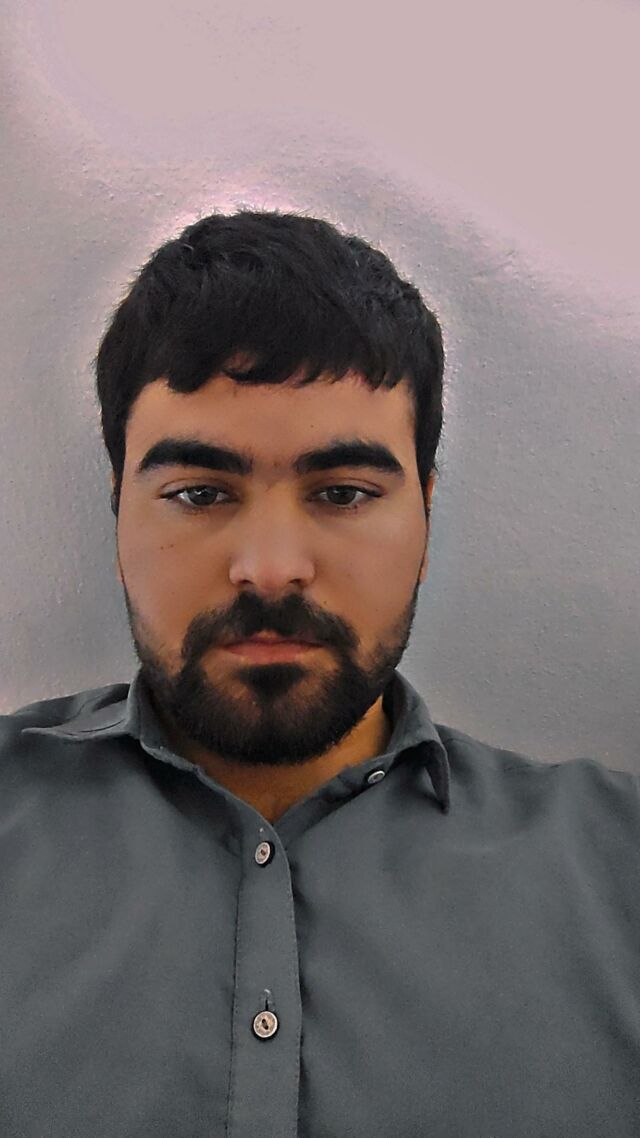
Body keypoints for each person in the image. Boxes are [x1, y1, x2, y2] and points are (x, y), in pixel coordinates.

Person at [1, 209, 638, 1137]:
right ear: (117, 511)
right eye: (198, 493)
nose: (270, 569)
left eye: (343, 493)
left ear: (426, 517)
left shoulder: (618, 870)